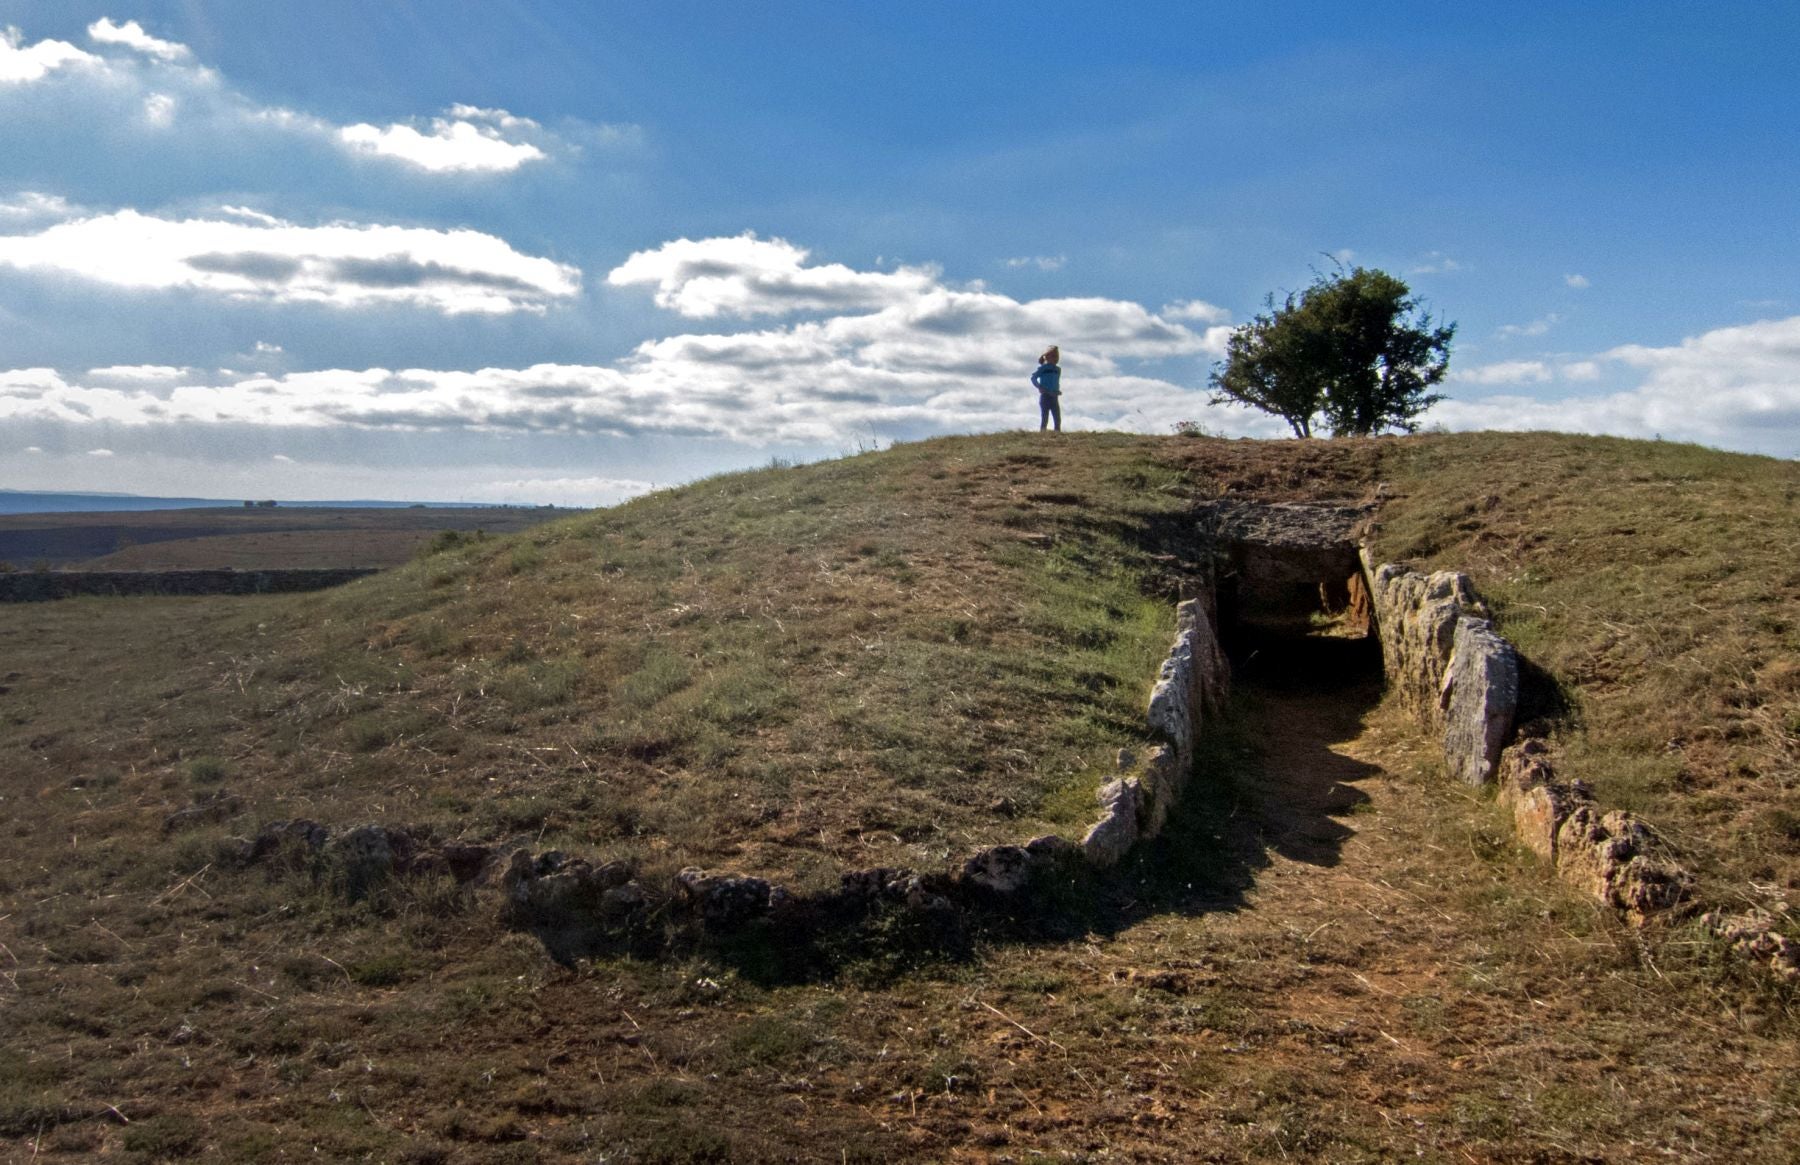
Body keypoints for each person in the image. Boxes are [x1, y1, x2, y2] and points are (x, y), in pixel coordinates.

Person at [1030, 345, 1062, 432]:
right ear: (1047, 357)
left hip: (1054, 396)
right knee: (1045, 416)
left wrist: (1057, 390)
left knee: (1057, 417)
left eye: (1057, 356)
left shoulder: (1058, 370)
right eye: (1054, 356)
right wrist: (1039, 386)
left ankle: (1057, 433)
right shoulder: (1043, 368)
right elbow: (1033, 378)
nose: (1056, 358)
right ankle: (1043, 433)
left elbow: (1056, 381)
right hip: (1045, 395)